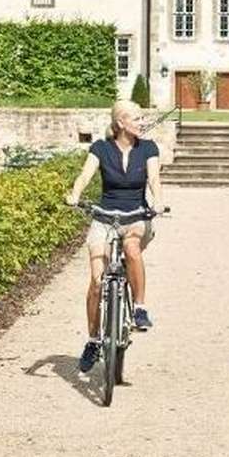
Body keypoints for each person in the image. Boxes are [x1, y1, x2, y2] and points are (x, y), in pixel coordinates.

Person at [65, 100, 164, 373]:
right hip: (104, 216)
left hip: (137, 216)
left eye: (142, 117)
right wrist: (75, 195)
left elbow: (154, 179)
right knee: (97, 281)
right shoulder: (101, 148)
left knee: (132, 248)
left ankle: (140, 308)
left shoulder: (148, 148)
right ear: (120, 123)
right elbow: (85, 175)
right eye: (136, 117)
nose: (142, 121)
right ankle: (94, 339)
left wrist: (158, 202)